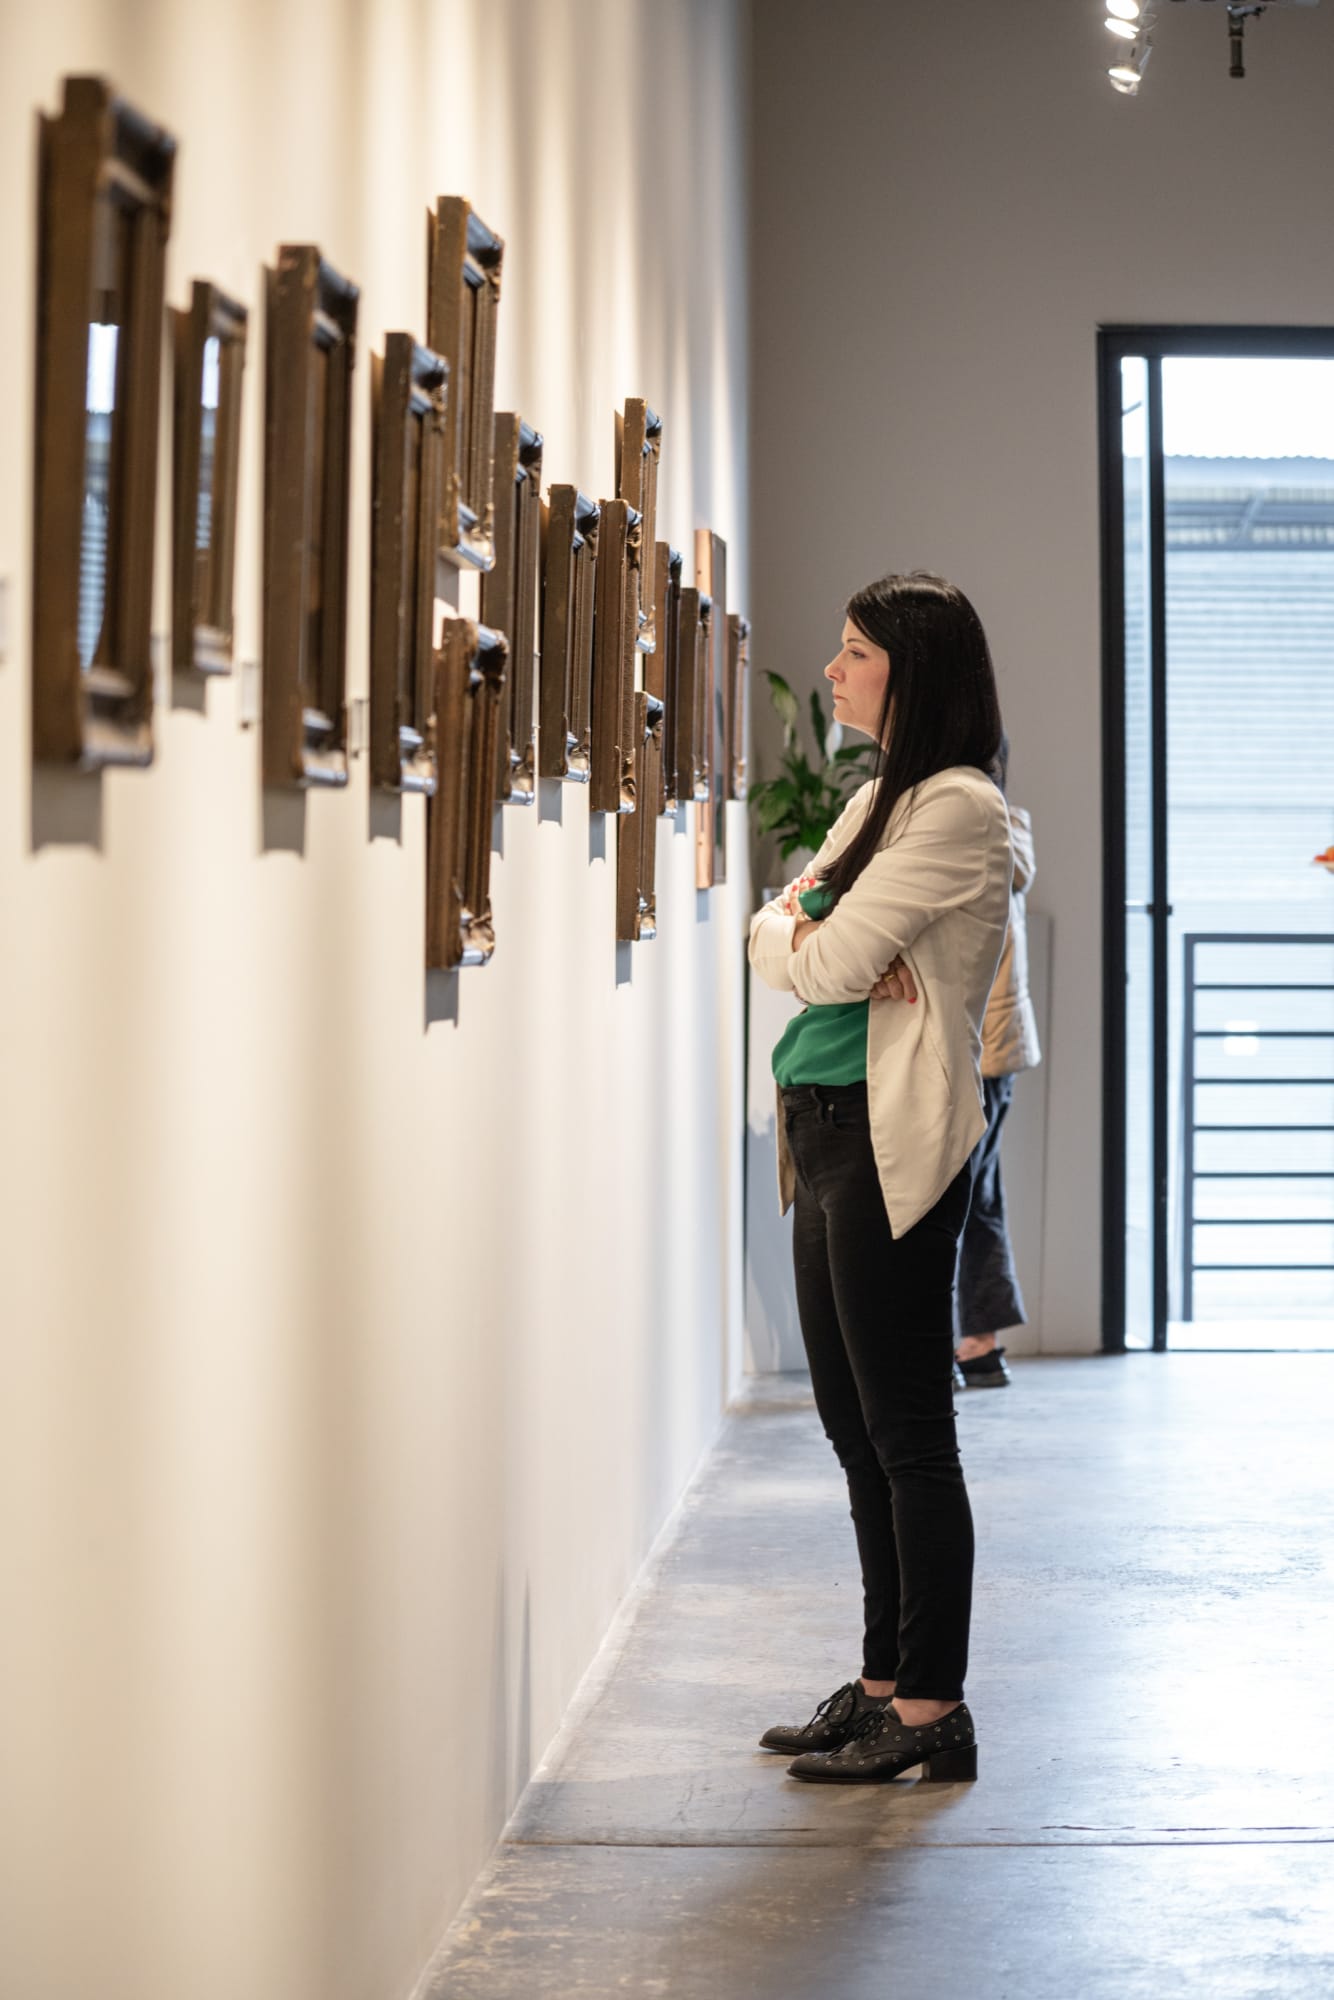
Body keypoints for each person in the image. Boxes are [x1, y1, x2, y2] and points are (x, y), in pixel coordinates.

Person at [747, 571, 1012, 1787]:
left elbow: (829, 952)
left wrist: (820, 937)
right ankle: (874, 1685)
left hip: (884, 1139)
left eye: (855, 651)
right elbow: (773, 933)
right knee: (853, 1427)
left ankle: (930, 1706)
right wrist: (812, 934)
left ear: (911, 668)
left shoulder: (954, 806)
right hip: (821, 1127)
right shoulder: (878, 798)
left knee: (908, 1434)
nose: (834, 668)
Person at [955, 739, 1041, 1388]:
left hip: (975, 1046)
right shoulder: (1008, 835)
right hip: (1001, 1045)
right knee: (976, 1197)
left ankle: (949, 1345)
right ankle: (978, 1344)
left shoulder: (971, 840)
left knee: (947, 1203)